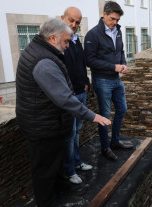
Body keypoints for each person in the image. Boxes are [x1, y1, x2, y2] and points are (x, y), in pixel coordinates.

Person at [15, 18, 111, 207]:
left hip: (47, 121)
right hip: (41, 124)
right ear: (53, 38)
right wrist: (93, 116)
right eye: (66, 41)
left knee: (54, 162)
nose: (68, 46)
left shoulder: (42, 51)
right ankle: (46, 206)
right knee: (44, 167)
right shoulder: (43, 62)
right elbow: (64, 98)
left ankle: (60, 191)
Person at [84, 1, 133, 161]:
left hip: (116, 80)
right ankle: (105, 148)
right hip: (102, 80)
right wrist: (114, 67)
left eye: (117, 20)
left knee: (122, 109)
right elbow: (89, 60)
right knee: (104, 115)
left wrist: (123, 64)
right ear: (104, 14)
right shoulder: (93, 34)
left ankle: (115, 141)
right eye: (112, 19)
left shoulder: (117, 31)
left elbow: (121, 51)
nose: (115, 23)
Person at [61, 7, 93, 185]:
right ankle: (69, 170)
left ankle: (77, 162)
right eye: (71, 20)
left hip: (82, 92)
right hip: (70, 96)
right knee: (70, 133)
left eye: (77, 23)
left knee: (77, 131)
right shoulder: (59, 41)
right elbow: (59, 69)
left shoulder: (75, 40)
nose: (74, 25)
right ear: (62, 18)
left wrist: (86, 82)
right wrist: (67, 90)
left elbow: (80, 63)